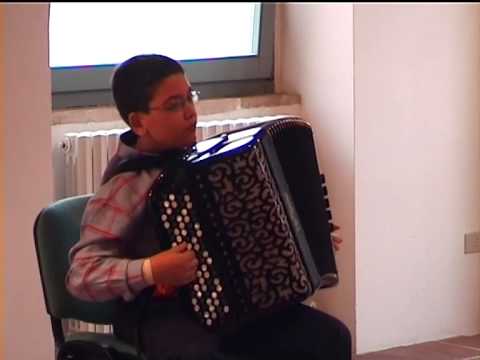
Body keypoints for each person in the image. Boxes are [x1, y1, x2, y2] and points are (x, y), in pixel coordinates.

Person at [66, 54, 351, 360]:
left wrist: (305, 240)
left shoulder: (210, 166)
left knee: (329, 337)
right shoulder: (124, 187)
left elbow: (247, 238)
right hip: (163, 320)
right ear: (138, 122)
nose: (190, 112)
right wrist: (150, 269)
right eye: (175, 105)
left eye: (190, 97)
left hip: (236, 312)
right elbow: (81, 276)